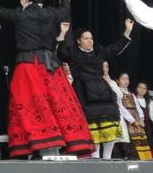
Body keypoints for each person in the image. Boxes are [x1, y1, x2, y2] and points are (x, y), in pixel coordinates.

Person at [0, 0, 94, 158]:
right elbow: (65, 9)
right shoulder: (51, 13)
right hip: (50, 66)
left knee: (30, 103)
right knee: (57, 102)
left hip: (29, 66)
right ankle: (59, 145)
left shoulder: (20, 14)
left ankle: (42, 146)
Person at [56, 19, 133, 159]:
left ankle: (107, 158)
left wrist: (127, 30)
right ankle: (96, 160)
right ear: (78, 41)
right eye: (86, 38)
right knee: (93, 128)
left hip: (102, 91)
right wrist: (62, 33)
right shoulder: (72, 52)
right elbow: (60, 53)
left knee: (110, 121)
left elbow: (115, 48)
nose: (90, 41)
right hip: (83, 92)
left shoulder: (99, 51)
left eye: (91, 38)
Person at [113, 73, 152, 160]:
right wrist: (132, 120)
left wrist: (141, 119)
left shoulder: (132, 94)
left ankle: (145, 162)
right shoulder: (117, 92)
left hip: (138, 122)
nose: (126, 81)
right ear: (118, 81)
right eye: (123, 79)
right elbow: (121, 109)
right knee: (132, 143)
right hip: (127, 122)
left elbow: (138, 108)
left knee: (141, 143)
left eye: (127, 79)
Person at [134, 81, 153, 158]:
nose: (142, 90)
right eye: (140, 87)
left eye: (144, 88)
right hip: (136, 126)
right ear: (136, 88)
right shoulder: (133, 100)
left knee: (150, 145)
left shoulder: (149, 101)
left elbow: (152, 116)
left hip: (147, 127)